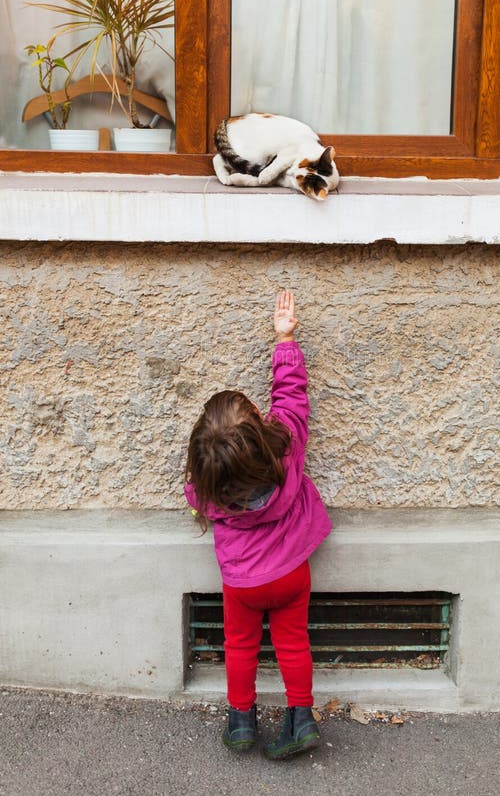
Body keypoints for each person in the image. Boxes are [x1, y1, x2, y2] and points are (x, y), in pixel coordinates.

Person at [184, 290, 332, 759]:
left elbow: (194, 497)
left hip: (242, 585)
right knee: (293, 643)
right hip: (292, 573)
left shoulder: (206, 491)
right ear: (258, 429)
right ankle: (301, 718)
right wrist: (285, 339)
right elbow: (291, 394)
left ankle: (242, 723)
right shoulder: (287, 444)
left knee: (241, 646)